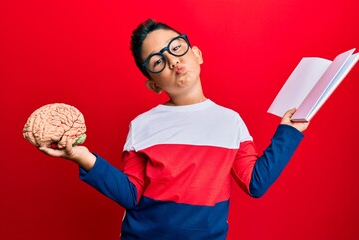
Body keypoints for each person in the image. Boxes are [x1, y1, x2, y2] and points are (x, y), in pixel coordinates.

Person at [39, 19, 309, 240]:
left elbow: (255, 183)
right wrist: (81, 157)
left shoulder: (231, 121)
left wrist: (289, 132)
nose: (171, 61)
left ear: (197, 54)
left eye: (176, 47)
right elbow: (131, 194)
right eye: (157, 62)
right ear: (154, 85)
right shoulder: (142, 125)